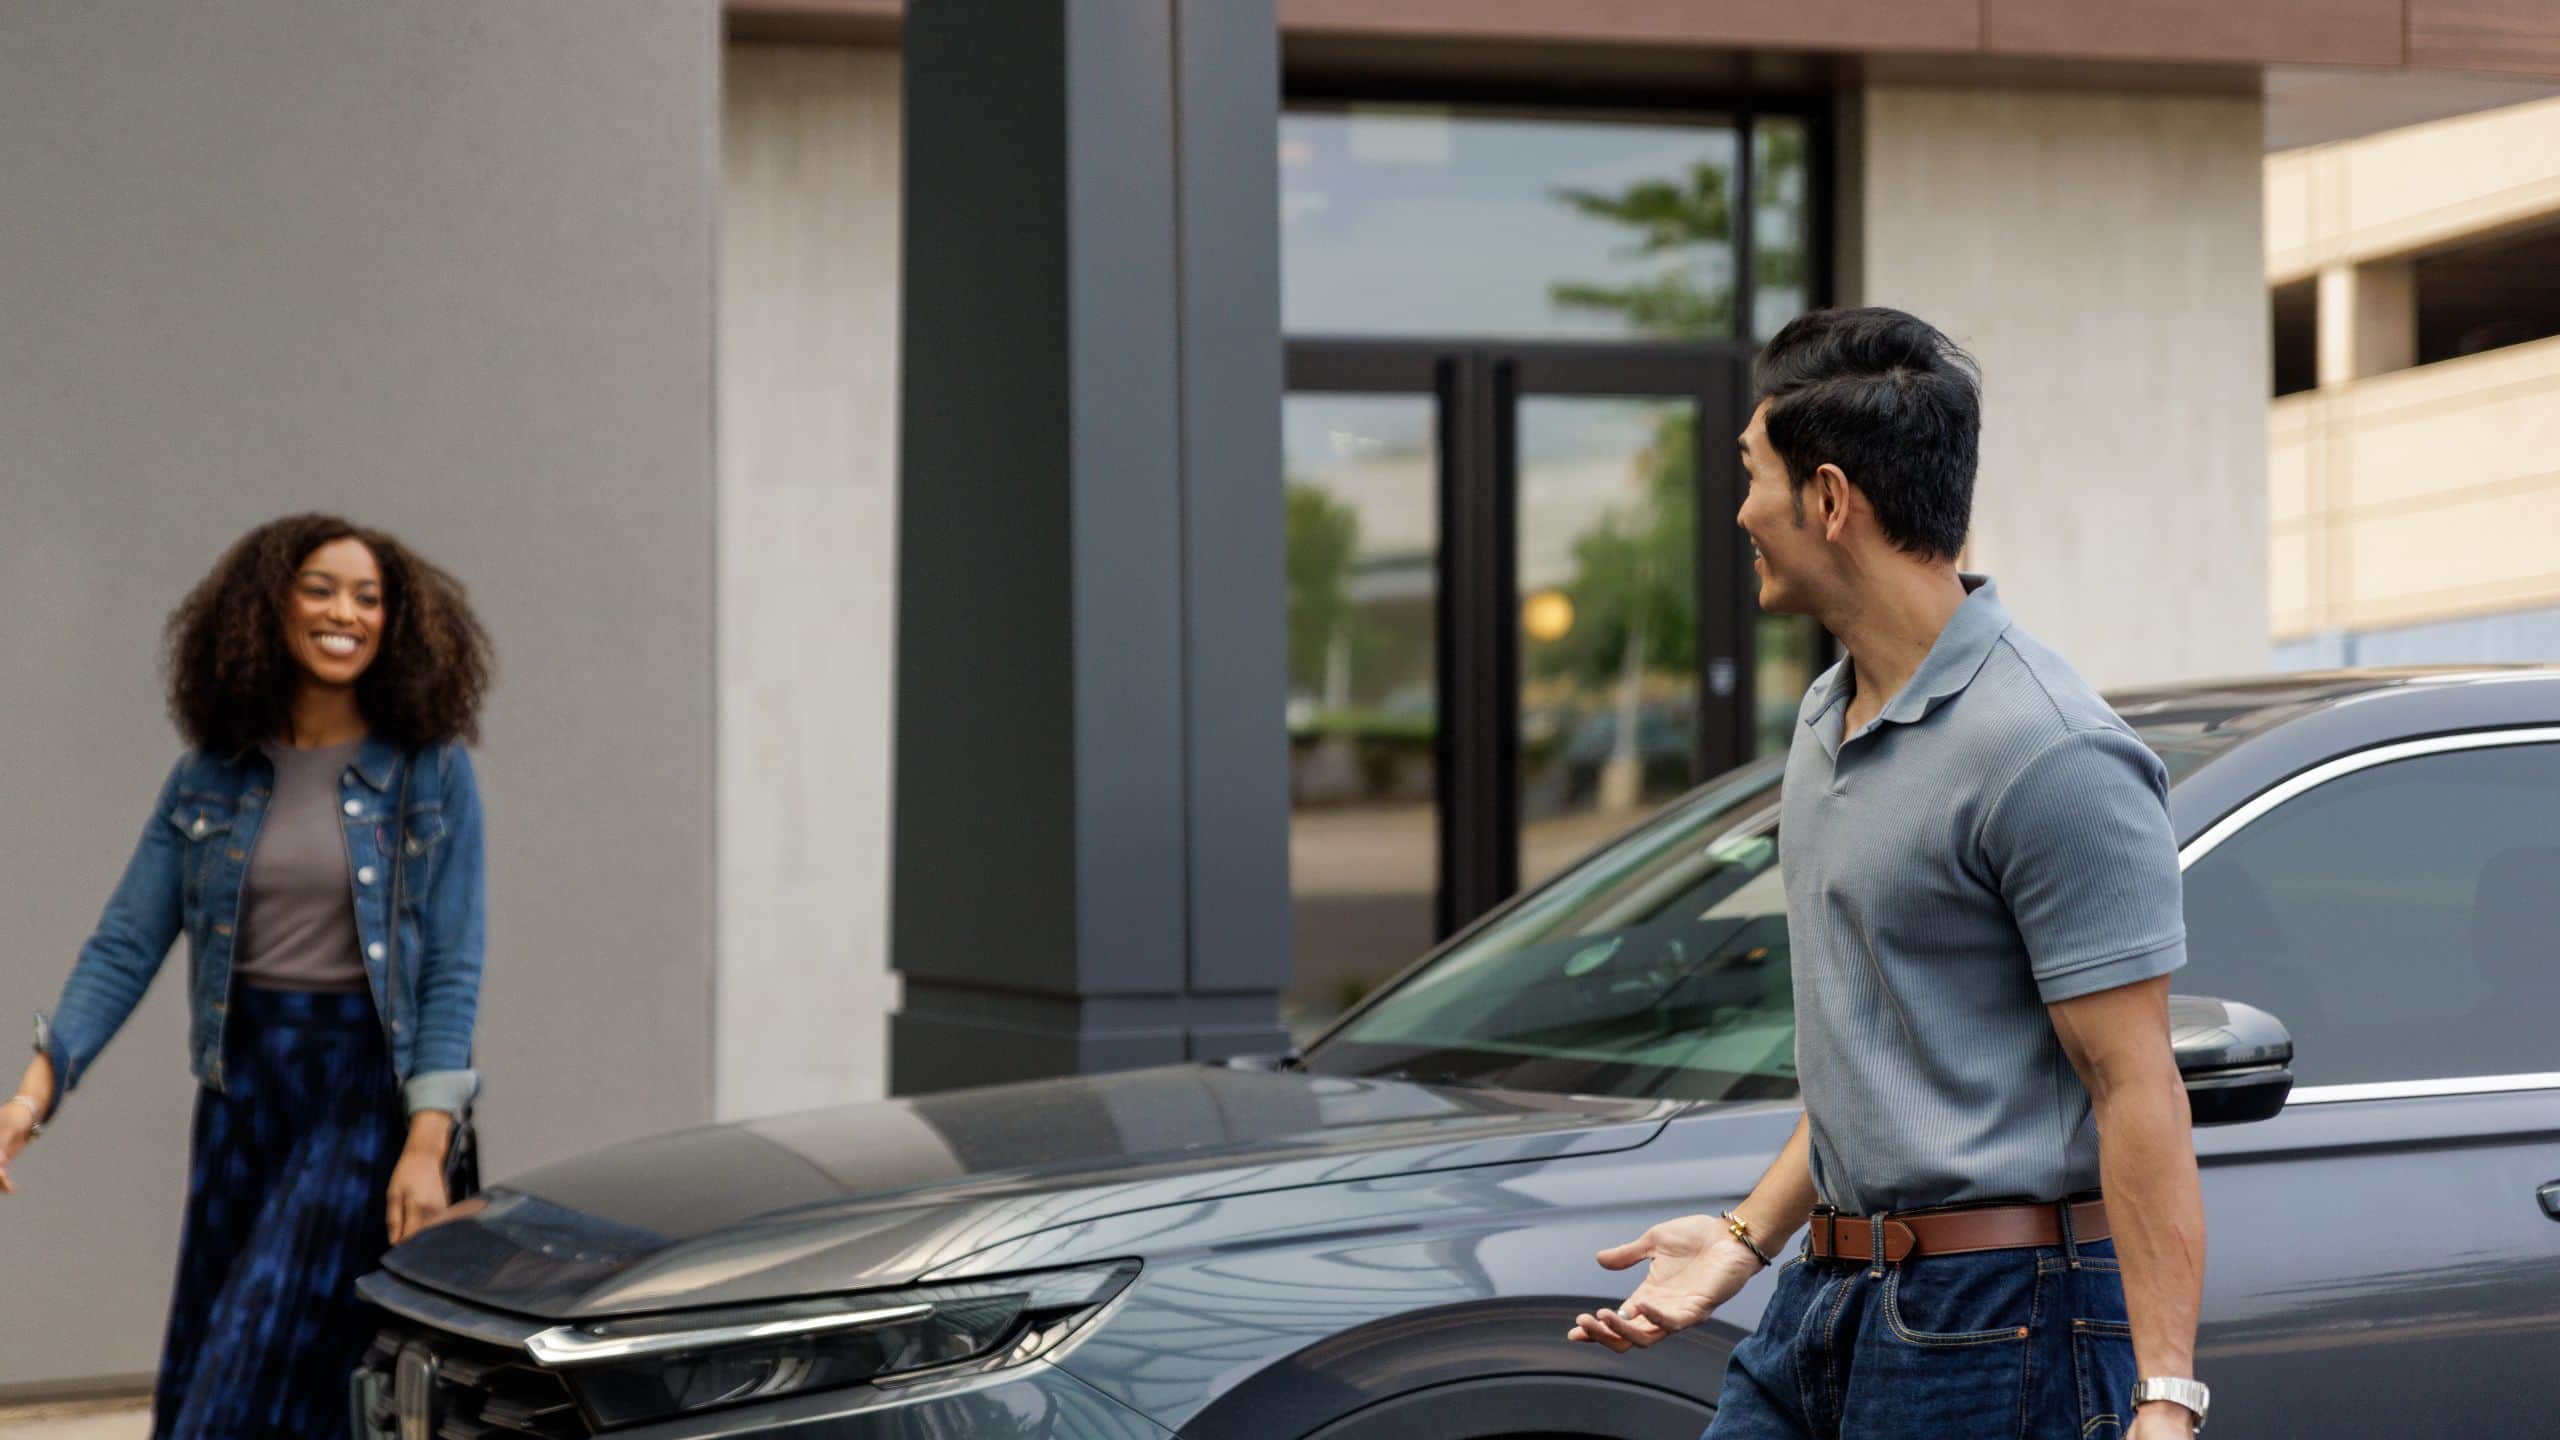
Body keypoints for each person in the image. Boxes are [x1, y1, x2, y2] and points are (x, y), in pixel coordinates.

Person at [1565, 309, 2209, 1439]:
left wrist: (2164, 1399)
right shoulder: (1827, 718)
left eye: (1752, 476)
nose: (1740, 513)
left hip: (2000, 1320)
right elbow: (1881, 1066)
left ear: (1828, 498)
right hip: (1825, 1296)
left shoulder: (2051, 752)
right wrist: (1742, 1240)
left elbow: (2135, 1087)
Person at [0, 515, 493, 1439]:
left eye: (368, 597)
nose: (345, 613)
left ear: (397, 624)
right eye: (320, 589)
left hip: (360, 1100)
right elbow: (124, 944)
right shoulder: (210, 778)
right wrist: (32, 1096)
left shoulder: (429, 774)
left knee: (243, 1380)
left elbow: (451, 971)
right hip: (240, 1097)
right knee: (226, 1370)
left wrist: (426, 1144)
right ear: (270, 607)